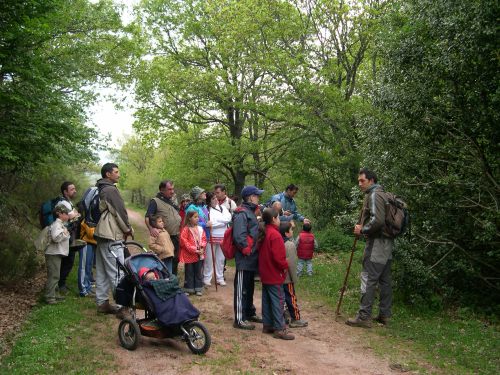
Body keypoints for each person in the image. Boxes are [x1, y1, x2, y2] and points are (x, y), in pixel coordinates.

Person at [346, 168, 394, 328]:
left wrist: (363, 230)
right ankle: (384, 315)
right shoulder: (383, 194)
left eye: (362, 181)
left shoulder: (374, 195)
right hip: (387, 243)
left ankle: (364, 316)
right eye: (359, 181)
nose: (359, 184)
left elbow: (378, 221)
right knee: (385, 280)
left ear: (371, 180)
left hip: (376, 243)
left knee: (369, 277)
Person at [94, 162, 133, 318]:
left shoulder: (100, 188)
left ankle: (102, 303)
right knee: (117, 271)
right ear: (108, 174)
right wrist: (127, 229)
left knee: (103, 271)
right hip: (111, 234)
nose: (118, 174)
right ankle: (123, 307)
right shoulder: (110, 189)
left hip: (102, 234)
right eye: (116, 172)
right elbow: (119, 212)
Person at [258, 209, 294, 340]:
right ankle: (280, 328)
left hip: (265, 272)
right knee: (278, 300)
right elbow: (278, 257)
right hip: (274, 273)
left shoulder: (264, 232)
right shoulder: (275, 235)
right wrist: (285, 264)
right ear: (273, 219)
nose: (280, 220)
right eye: (278, 218)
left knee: (267, 299)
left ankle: (267, 324)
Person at [232, 185, 264, 330]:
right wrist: (247, 250)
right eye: (257, 195)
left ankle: (249, 312)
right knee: (241, 288)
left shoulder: (251, 212)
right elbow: (239, 236)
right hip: (245, 258)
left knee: (249, 287)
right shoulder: (241, 213)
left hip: (252, 258)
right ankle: (239, 319)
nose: (258, 198)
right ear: (250, 197)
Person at [145, 180, 182, 275]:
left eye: (173, 189)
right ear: (162, 190)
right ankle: (165, 282)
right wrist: (151, 229)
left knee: (175, 259)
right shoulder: (155, 201)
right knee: (165, 262)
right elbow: (147, 217)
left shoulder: (172, 201)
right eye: (169, 189)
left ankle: (173, 281)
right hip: (164, 237)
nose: (172, 191)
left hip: (176, 236)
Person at [44, 203, 74, 304]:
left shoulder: (61, 224)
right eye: (66, 213)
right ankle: (50, 297)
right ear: (60, 214)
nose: (67, 215)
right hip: (53, 253)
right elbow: (56, 238)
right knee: (54, 276)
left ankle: (55, 294)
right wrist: (65, 233)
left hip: (56, 253)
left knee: (56, 274)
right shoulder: (57, 224)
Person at [280, 222, 308, 328]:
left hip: (279, 277)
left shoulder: (278, 242)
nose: (292, 231)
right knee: (291, 298)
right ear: (286, 233)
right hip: (287, 278)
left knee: (281, 298)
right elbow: (291, 263)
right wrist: (294, 278)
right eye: (291, 230)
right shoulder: (289, 245)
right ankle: (295, 318)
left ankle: (284, 316)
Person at [57, 181, 82, 294]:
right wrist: (75, 215)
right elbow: (72, 216)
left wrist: (75, 215)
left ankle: (61, 284)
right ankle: (60, 285)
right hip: (65, 236)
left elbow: (75, 215)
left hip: (67, 234)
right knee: (68, 260)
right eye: (72, 189)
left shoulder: (68, 202)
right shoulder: (64, 203)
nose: (75, 191)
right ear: (65, 192)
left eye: (74, 188)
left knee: (67, 260)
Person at [204, 192, 232, 287]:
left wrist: (217, 222)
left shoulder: (222, 208)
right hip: (211, 237)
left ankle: (219, 278)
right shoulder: (207, 210)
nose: (216, 200)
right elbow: (209, 223)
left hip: (222, 237)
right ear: (208, 201)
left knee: (220, 259)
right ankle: (207, 278)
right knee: (209, 259)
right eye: (213, 198)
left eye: (216, 198)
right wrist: (221, 222)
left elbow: (228, 218)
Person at [179, 210, 207, 296]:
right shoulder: (186, 229)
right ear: (189, 218)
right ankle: (188, 288)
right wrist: (194, 249)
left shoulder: (200, 229)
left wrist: (202, 247)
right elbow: (184, 241)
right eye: (195, 217)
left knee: (198, 271)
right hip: (189, 255)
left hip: (199, 254)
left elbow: (204, 239)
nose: (197, 219)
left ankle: (198, 288)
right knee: (189, 271)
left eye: (198, 217)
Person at [77, 187, 98, 297]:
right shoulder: (87, 218)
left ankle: (88, 286)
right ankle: (83, 290)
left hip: (93, 242)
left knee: (88, 265)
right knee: (84, 266)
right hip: (86, 241)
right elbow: (89, 232)